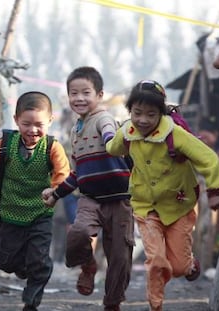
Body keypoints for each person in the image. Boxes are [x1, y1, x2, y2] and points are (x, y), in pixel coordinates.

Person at [105, 79, 219, 311]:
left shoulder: (175, 134)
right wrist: (108, 135)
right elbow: (114, 148)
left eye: (150, 115)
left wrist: (214, 190)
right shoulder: (127, 131)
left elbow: (208, 159)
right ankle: (156, 305)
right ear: (130, 111)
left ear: (160, 114)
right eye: (137, 113)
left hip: (178, 206)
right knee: (156, 260)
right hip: (145, 205)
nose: (142, 120)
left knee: (179, 267)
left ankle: (190, 264)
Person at [0, 91, 70, 311]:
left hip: (40, 214)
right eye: (26, 124)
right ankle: (27, 269)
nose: (33, 130)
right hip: (10, 215)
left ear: (50, 121)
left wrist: (55, 191)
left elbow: (63, 173)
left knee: (39, 261)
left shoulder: (52, 147)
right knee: (6, 262)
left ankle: (31, 300)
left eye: (39, 124)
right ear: (16, 120)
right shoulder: (6, 144)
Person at [42, 66, 133, 311]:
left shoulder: (103, 118)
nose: (79, 98)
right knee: (78, 234)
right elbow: (77, 172)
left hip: (119, 199)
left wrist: (112, 143)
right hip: (90, 198)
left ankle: (112, 303)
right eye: (74, 93)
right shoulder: (75, 130)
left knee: (119, 257)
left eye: (86, 92)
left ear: (99, 95)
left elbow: (110, 136)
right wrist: (57, 194)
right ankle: (88, 265)